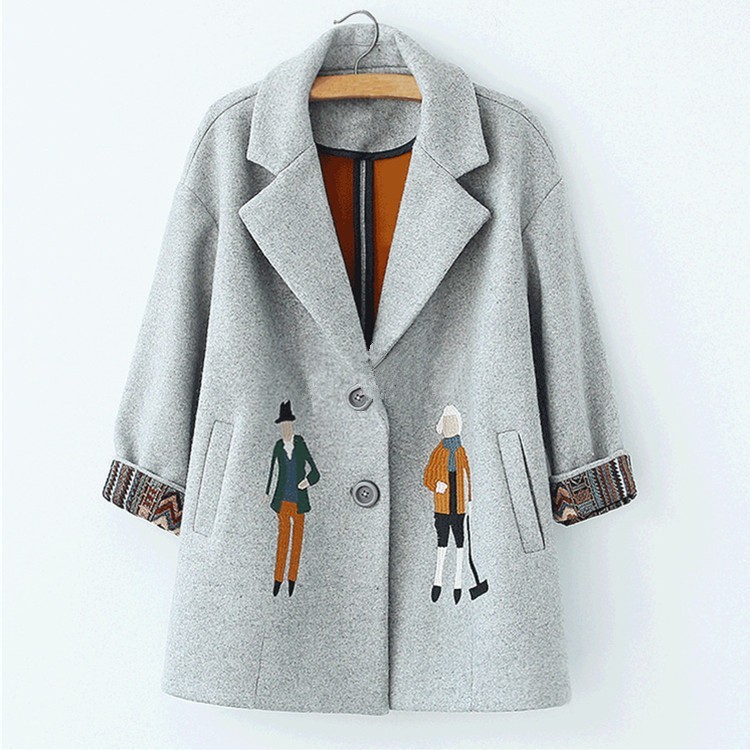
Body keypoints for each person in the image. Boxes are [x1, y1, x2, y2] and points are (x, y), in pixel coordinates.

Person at [264, 400, 320, 596]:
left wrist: (307, 482)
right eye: (283, 425)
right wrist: (266, 492)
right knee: (283, 541)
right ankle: (277, 580)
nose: (285, 429)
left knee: (297, 542)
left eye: (288, 425)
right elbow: (272, 470)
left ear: (292, 425)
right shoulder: (279, 446)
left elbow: (315, 472)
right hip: (282, 501)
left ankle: (292, 580)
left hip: (299, 502)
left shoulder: (301, 444)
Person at [423, 404, 472, 603]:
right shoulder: (438, 452)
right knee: (442, 542)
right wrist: (436, 485)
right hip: (442, 506)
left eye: (453, 422)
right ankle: (437, 581)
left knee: (460, 543)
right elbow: (428, 476)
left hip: (459, 506)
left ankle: (458, 582)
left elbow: (468, 476)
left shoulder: (461, 451)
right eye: (447, 422)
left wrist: (471, 500)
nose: (450, 426)